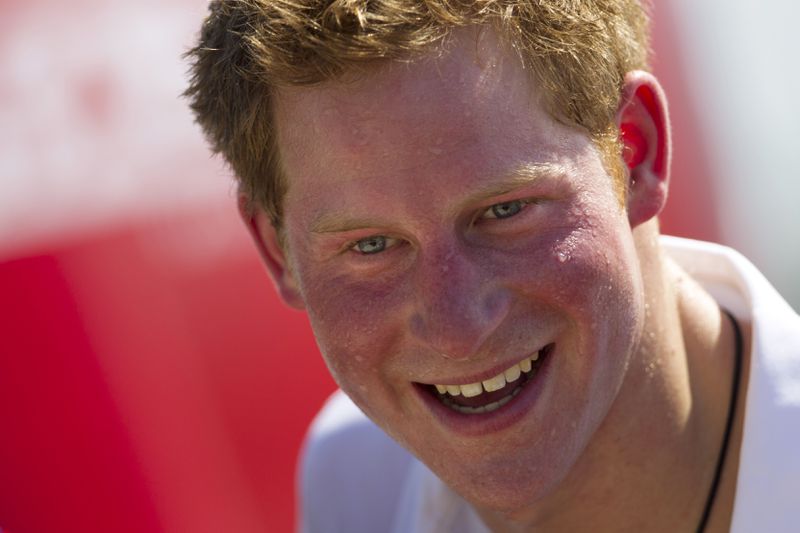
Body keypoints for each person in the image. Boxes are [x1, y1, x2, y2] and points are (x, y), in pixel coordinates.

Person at [184, 1, 800, 531]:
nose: (457, 332)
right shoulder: (355, 478)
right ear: (278, 249)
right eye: (371, 245)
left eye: (505, 210)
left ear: (634, 152)